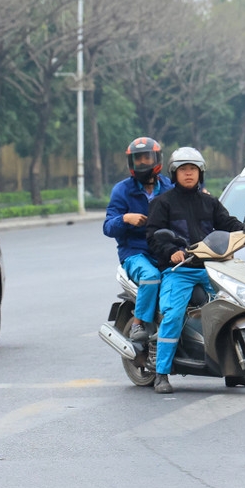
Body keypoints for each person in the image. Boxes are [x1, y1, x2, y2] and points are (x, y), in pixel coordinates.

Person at [145, 147, 245, 394]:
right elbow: (154, 237)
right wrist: (170, 251)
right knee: (173, 315)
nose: (188, 174)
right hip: (180, 270)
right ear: (174, 174)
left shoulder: (209, 202)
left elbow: (227, 223)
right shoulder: (162, 203)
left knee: (234, 307)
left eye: (193, 170)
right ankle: (161, 373)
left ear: (200, 173)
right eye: (184, 170)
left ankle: (236, 370)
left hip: (212, 268)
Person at [103, 137, 173, 343]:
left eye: (147, 158)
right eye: (138, 159)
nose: (143, 163)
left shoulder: (170, 188)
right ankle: (137, 325)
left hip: (165, 251)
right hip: (135, 254)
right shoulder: (122, 190)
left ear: (157, 159)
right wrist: (125, 218)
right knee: (151, 277)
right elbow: (107, 227)